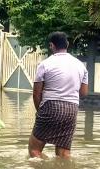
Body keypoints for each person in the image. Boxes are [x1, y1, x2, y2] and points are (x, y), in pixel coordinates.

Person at [28, 31, 88, 159]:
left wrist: (40, 112)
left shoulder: (45, 64)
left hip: (51, 106)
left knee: (34, 150)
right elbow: (83, 93)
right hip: (71, 109)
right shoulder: (80, 65)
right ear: (67, 44)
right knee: (64, 153)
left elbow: (36, 93)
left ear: (51, 45)